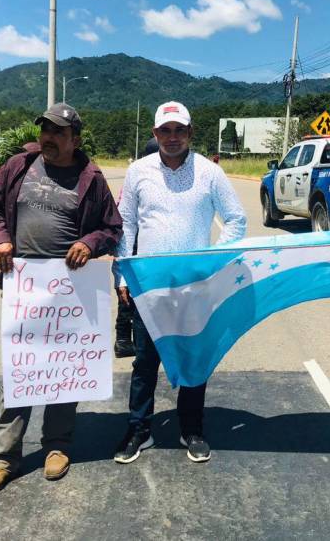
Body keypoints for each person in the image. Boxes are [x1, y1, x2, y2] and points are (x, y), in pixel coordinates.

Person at [0, 103, 122, 499]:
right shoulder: (19, 165)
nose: (48, 139)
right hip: (23, 290)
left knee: (61, 371)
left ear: (75, 138)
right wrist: (0, 239)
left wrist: (88, 243)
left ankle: (58, 445)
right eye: (45, 131)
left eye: (58, 133)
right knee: (19, 372)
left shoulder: (91, 178)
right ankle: (3, 460)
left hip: (69, 292)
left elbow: (112, 228)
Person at [114, 101, 247, 464]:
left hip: (194, 286)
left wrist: (211, 262)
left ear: (189, 132)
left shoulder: (209, 172)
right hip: (149, 285)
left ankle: (192, 428)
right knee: (145, 361)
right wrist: (122, 274)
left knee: (193, 357)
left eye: (179, 130)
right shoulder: (138, 171)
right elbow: (126, 225)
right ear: (155, 134)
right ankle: (138, 429)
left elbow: (236, 221)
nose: (172, 137)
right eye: (164, 131)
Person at [113, 137, 159, 359]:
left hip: (139, 242)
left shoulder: (139, 175)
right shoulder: (140, 176)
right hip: (135, 242)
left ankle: (124, 338)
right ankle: (123, 338)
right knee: (130, 291)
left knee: (131, 291)